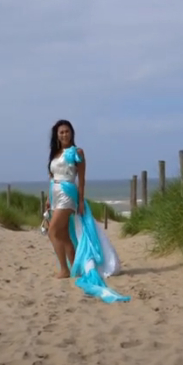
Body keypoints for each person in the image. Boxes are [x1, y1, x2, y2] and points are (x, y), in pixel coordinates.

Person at [46, 119, 129, 303]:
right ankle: (76, 267)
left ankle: (64, 269)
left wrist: (81, 201)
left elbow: (81, 179)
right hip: (55, 193)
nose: (64, 134)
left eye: (67, 131)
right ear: (56, 135)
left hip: (68, 194)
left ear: (72, 133)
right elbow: (52, 177)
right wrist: (47, 199)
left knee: (52, 231)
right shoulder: (55, 153)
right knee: (64, 234)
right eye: (61, 132)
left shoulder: (78, 152)